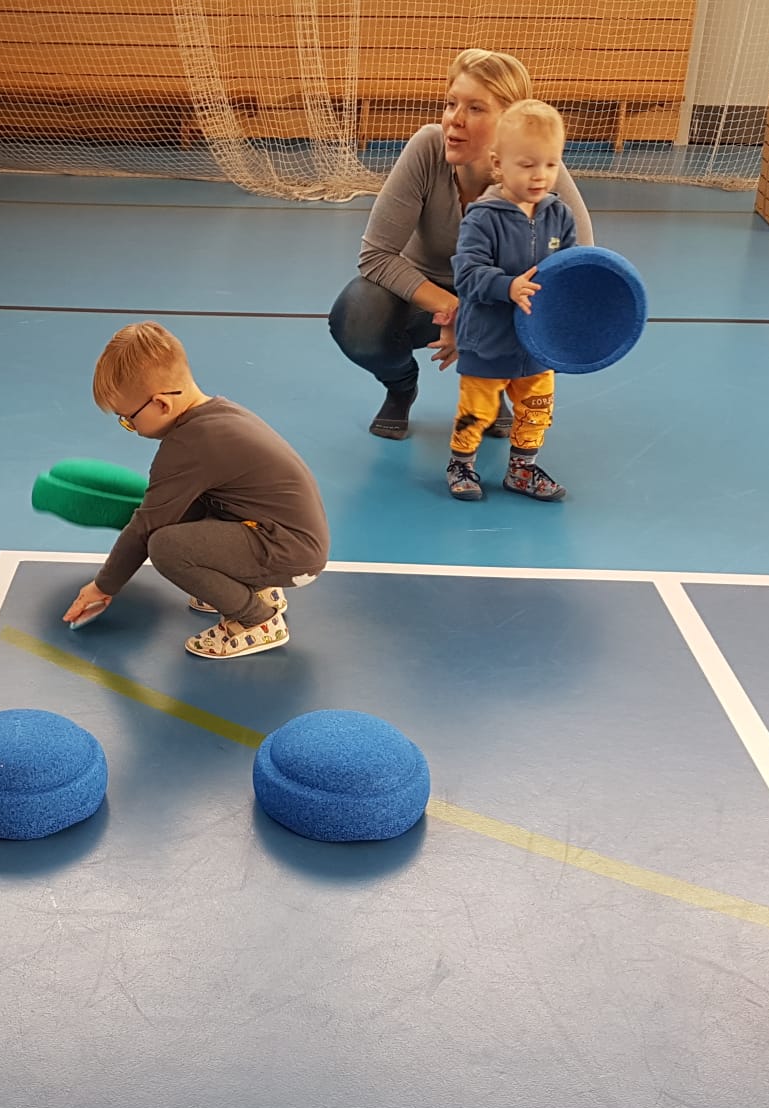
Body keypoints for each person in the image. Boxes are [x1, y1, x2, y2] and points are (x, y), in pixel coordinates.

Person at [328, 48, 594, 441]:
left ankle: (496, 382)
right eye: (451, 103)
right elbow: (376, 256)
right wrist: (455, 311)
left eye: (475, 108)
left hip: (499, 299)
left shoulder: (535, 168)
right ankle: (401, 386)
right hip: (425, 298)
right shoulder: (427, 148)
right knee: (357, 318)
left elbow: (578, 263)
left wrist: (494, 315)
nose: (455, 118)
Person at [62, 322, 329, 660]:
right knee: (181, 509)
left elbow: (145, 528)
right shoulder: (216, 414)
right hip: (284, 537)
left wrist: (102, 587)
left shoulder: (189, 445)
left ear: (161, 404)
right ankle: (255, 587)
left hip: (292, 554)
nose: (131, 429)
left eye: (128, 419)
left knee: (166, 547)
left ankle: (256, 620)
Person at [446, 99, 576, 502]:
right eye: (527, 164)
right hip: (488, 340)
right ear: (498, 164)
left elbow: (572, 268)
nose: (540, 175)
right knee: (477, 410)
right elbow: (467, 273)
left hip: (536, 343)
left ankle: (522, 469)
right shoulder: (483, 217)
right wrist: (507, 287)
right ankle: (461, 463)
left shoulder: (559, 215)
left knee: (537, 406)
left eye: (550, 164)